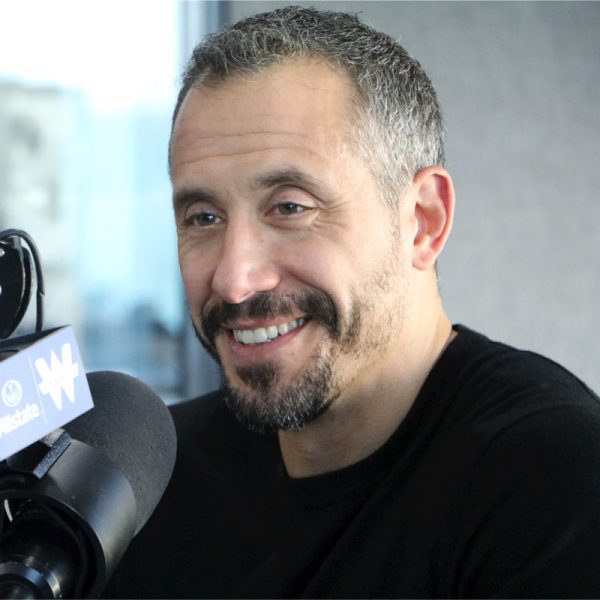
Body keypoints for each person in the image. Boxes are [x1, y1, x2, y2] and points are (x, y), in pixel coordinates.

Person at [108, 6, 600, 598]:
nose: (235, 281)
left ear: (423, 221)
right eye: (204, 218)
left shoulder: (553, 475)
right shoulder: (150, 474)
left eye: (290, 207)